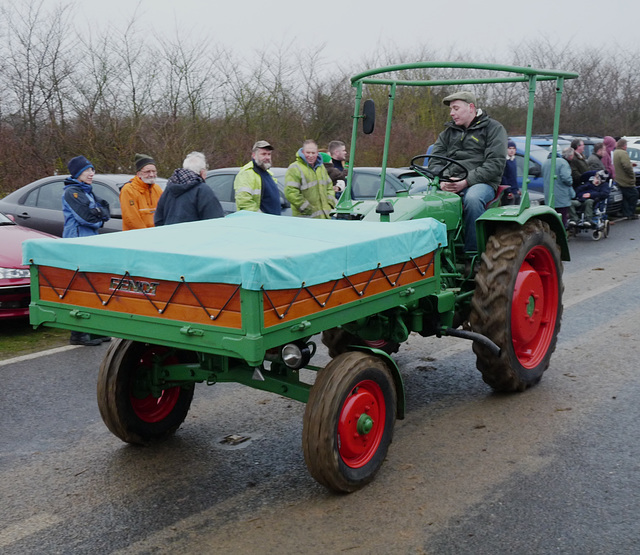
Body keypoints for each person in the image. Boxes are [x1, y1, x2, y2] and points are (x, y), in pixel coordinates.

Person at [429, 91, 507, 252]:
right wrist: (443, 180)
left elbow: (495, 164)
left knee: (472, 199)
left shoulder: (493, 129)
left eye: (456, 108)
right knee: (422, 200)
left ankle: (473, 254)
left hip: (481, 182)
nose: (452, 113)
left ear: (471, 107)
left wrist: (466, 181)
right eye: (451, 109)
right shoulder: (448, 133)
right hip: (449, 182)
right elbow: (434, 161)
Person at [62, 155, 111, 346]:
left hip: (90, 242)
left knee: (92, 287)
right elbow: (86, 219)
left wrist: (98, 215)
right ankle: (78, 333)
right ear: (78, 173)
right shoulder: (71, 192)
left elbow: (105, 210)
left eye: (92, 170)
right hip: (77, 243)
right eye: (88, 170)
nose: (92, 173)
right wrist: (98, 216)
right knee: (79, 288)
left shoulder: (87, 191)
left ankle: (92, 331)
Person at [154, 151, 224, 226]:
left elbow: (158, 219)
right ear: (202, 172)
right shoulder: (203, 190)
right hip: (194, 235)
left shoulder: (169, 189)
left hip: (169, 235)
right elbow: (215, 220)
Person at [284, 139, 336, 218]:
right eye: (308, 153)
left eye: (313, 153)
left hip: (325, 218)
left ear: (317, 153)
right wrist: (307, 208)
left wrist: (330, 203)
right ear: (303, 152)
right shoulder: (294, 168)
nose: (310, 156)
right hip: (304, 219)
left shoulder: (321, 167)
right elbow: (291, 193)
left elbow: (329, 186)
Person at [233, 140, 281, 215]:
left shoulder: (268, 174)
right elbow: (244, 201)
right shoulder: (247, 174)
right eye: (263, 154)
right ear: (254, 155)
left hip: (272, 221)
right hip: (258, 223)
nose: (267, 157)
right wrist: (261, 217)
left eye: (269, 154)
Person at [120, 153, 163, 230]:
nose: (151, 174)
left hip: (156, 235)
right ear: (139, 174)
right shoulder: (128, 190)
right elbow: (131, 219)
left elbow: (163, 213)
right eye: (147, 172)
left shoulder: (157, 189)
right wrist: (145, 235)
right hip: (137, 237)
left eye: (154, 171)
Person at [543, 147, 575, 227]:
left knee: (552, 219)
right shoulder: (562, 162)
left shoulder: (545, 162)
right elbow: (566, 178)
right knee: (562, 219)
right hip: (561, 196)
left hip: (549, 196)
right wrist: (571, 182)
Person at [612, 138, 639, 220]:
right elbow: (626, 166)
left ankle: (626, 212)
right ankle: (630, 213)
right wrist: (631, 175)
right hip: (625, 180)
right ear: (624, 146)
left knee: (624, 197)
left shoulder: (615, 152)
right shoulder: (623, 153)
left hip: (618, 179)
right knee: (634, 195)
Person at [501, 140, 519, 204]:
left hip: (515, 190)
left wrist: (517, 189)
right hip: (508, 192)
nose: (512, 150)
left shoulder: (513, 160)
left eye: (513, 148)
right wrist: (508, 191)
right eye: (509, 148)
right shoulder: (504, 161)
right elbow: (504, 177)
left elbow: (514, 177)